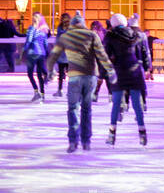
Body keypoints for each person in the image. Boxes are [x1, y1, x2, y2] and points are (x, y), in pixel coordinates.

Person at [47, 10, 115, 153]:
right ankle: (86, 141)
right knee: (86, 109)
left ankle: (73, 141)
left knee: (73, 108)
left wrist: (50, 71)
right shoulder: (92, 35)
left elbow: (54, 55)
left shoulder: (66, 36)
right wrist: (110, 70)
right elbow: (101, 55)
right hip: (90, 76)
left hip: (75, 76)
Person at [103, 14, 150, 146]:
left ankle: (112, 134)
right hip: (134, 69)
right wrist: (145, 68)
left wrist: (106, 70)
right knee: (137, 103)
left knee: (116, 103)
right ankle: (142, 133)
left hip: (119, 70)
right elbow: (140, 53)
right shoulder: (135, 34)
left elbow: (106, 55)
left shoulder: (110, 36)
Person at [23, 12, 50, 102]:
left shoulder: (31, 28)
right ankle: (42, 94)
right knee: (39, 75)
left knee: (30, 74)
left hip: (32, 53)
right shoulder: (44, 30)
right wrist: (46, 52)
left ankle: (36, 92)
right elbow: (46, 43)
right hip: (41, 53)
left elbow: (29, 40)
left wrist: (24, 50)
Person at [91, 21, 111, 100]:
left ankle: (110, 94)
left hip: (104, 58)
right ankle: (96, 94)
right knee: (99, 77)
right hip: (98, 59)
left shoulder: (105, 33)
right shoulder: (93, 34)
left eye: (95, 27)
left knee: (105, 78)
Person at [54, 12, 71, 96]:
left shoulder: (68, 29)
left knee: (67, 74)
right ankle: (61, 90)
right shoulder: (61, 28)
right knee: (63, 74)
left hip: (67, 55)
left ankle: (65, 90)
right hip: (63, 54)